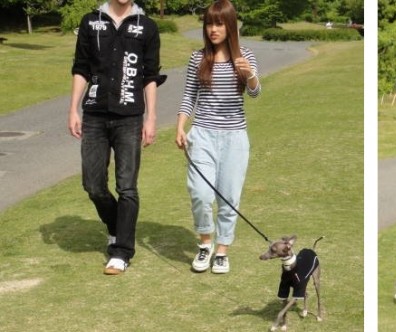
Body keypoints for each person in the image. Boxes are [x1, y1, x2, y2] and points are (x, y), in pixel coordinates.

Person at [68, 0, 165, 275]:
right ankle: (115, 226)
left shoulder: (146, 26)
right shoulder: (91, 22)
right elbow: (81, 68)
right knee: (93, 185)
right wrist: (73, 108)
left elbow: (150, 75)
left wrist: (152, 117)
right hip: (94, 114)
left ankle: (121, 251)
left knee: (127, 186)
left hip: (130, 117)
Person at [175, 0, 261, 274]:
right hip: (202, 134)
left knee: (228, 198)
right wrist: (180, 126)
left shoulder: (245, 56)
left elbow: (255, 93)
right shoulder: (198, 58)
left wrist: (249, 76)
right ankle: (205, 243)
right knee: (200, 193)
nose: (213, 29)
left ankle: (222, 250)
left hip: (235, 137)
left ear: (230, 26)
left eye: (219, 23)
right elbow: (189, 96)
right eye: (209, 23)